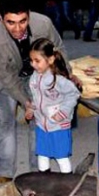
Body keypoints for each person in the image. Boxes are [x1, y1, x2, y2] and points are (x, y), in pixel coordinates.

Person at [0, 0, 72, 185]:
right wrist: (27, 102)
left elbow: (59, 51)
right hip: (6, 80)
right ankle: (5, 173)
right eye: (11, 22)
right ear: (0, 18)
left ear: (29, 15)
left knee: (39, 124)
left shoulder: (44, 24)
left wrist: (62, 80)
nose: (18, 28)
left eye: (23, 21)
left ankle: (37, 172)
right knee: (5, 122)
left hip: (38, 76)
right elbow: (7, 77)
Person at [24, 38, 81, 173]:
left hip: (58, 126)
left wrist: (63, 113)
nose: (33, 65)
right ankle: (44, 182)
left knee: (61, 157)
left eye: (37, 61)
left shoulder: (59, 80)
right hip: (41, 125)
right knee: (42, 155)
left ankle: (68, 183)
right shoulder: (35, 77)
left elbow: (74, 94)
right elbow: (36, 97)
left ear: (50, 60)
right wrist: (31, 108)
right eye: (31, 61)